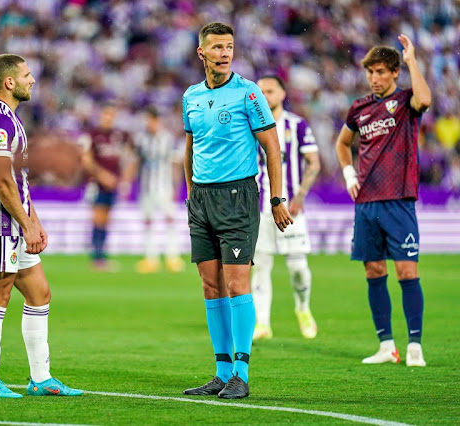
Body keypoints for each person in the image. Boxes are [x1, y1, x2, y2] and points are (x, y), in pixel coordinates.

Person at [181, 22, 293, 399]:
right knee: (210, 285)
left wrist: (277, 199)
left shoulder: (249, 94)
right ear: (202, 53)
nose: (224, 53)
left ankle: (241, 374)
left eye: (229, 47)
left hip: (237, 197)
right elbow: (190, 147)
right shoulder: (192, 96)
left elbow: (272, 149)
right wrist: (190, 194)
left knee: (236, 284)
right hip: (202, 200)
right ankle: (221, 371)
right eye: (217, 47)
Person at [0, 53, 82, 398]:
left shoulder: (9, 119)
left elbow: (18, 181)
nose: (32, 80)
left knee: (39, 293)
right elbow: (1, 180)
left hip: (14, 220)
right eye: (27, 75)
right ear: (9, 82)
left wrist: (35, 221)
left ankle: (41, 378)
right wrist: (25, 224)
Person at [335, 35, 431, 367]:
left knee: (407, 271)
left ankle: (415, 345)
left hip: (399, 200)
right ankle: (386, 345)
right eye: (370, 72)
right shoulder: (359, 108)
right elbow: (342, 143)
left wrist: (412, 60)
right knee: (373, 270)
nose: (374, 78)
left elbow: (426, 98)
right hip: (366, 204)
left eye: (380, 72)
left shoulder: (406, 102)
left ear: (393, 73)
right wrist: (349, 174)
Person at [251, 75, 322, 340]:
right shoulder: (249, 125)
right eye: (260, 91)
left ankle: (303, 309)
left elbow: (314, 162)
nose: (265, 95)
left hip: (291, 207)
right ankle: (262, 323)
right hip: (259, 208)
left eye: (270, 91)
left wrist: (301, 194)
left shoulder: (297, 125)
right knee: (261, 265)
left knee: (297, 267)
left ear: (282, 94)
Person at [79, 103, 136, 271]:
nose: (108, 118)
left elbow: (130, 156)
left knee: (106, 219)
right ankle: (96, 257)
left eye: (111, 115)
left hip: (113, 183)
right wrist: (102, 176)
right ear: (100, 116)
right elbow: (86, 159)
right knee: (98, 217)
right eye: (106, 115)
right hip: (97, 183)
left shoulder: (118, 135)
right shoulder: (92, 134)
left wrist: (125, 178)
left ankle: (101, 255)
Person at [134, 106, 186, 274]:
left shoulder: (167, 139)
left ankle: (173, 257)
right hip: (147, 187)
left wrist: (176, 187)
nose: (149, 124)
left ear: (158, 121)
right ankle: (151, 259)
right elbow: (136, 162)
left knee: (170, 221)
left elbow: (175, 164)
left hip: (164, 187)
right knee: (148, 222)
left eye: (152, 120)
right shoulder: (141, 139)